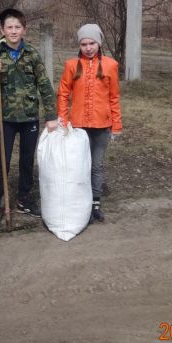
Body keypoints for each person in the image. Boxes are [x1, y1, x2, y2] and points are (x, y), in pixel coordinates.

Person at [0, 8, 58, 231]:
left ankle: (24, 199)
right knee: (3, 161)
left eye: (17, 27)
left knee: (27, 160)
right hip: (6, 118)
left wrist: (51, 115)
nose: (13, 31)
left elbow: (44, 85)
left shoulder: (31, 53)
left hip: (29, 116)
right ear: (2, 30)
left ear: (24, 29)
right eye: (9, 27)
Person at [56, 24, 122, 223]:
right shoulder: (71, 65)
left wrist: (116, 125)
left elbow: (114, 97)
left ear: (99, 43)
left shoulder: (111, 65)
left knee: (96, 166)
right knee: (79, 165)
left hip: (102, 125)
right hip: (78, 126)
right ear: (79, 45)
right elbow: (63, 93)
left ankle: (95, 203)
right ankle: (78, 202)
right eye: (84, 44)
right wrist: (63, 118)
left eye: (92, 43)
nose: (88, 47)